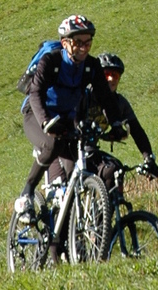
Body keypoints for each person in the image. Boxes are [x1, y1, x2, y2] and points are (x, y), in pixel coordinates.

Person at [14, 15, 126, 219]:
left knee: (77, 168)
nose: (84, 47)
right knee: (52, 145)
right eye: (78, 42)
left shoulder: (91, 67)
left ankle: (67, 233)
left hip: (66, 119)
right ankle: (27, 193)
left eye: (88, 42)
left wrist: (117, 124)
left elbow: (105, 98)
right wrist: (45, 122)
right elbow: (35, 93)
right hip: (36, 114)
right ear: (65, 43)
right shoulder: (51, 61)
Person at [47, 52, 158, 195]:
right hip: (63, 149)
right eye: (106, 74)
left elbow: (137, 131)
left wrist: (149, 158)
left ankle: (104, 215)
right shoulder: (83, 96)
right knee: (66, 192)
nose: (111, 79)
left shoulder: (119, 104)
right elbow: (73, 120)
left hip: (89, 151)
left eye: (116, 75)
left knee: (113, 170)